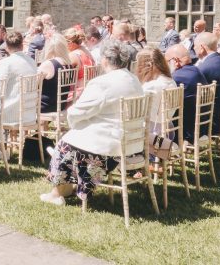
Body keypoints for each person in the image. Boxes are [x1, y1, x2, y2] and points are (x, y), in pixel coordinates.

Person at [40, 40, 143, 206]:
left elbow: (77, 112)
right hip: (131, 143)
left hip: (106, 147)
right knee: (71, 140)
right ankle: (71, 187)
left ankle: (57, 193)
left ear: (105, 60)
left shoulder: (103, 82)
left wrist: (73, 120)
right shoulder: (134, 80)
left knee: (63, 146)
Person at [164, 43, 207, 143]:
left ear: (175, 61)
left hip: (185, 131)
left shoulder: (176, 78)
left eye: (166, 62)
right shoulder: (197, 71)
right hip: (201, 127)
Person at [0, 31, 38, 124]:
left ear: (6, 47)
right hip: (30, 113)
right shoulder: (32, 61)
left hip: (11, 114)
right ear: (22, 46)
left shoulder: (6, 63)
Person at [135, 47, 176, 136]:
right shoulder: (171, 81)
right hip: (168, 130)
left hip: (152, 136)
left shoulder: (150, 87)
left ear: (148, 66)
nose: (137, 70)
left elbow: (134, 111)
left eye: (138, 65)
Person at [39, 34, 72, 113]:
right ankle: (43, 125)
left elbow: (34, 85)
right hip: (61, 105)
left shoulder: (48, 64)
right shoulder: (68, 64)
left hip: (45, 106)